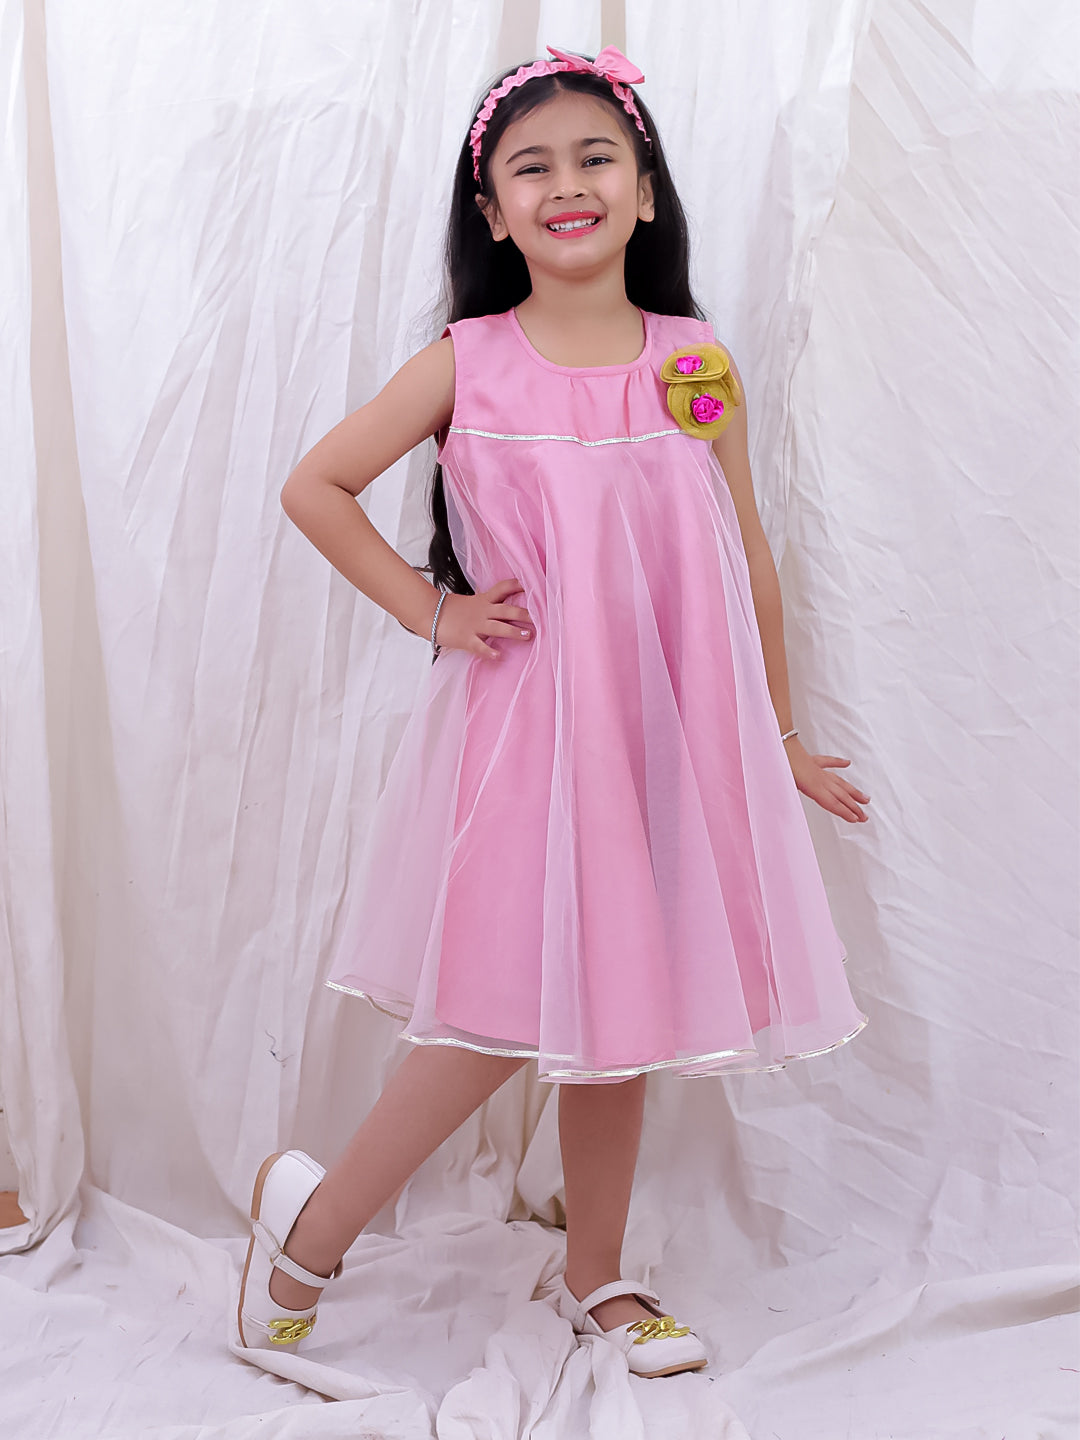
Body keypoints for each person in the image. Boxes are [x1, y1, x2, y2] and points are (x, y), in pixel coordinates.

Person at [233, 45, 871, 1380]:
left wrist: (778, 734)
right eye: (532, 167)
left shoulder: (694, 361)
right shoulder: (469, 362)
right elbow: (315, 488)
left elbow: (745, 553)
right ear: (492, 210)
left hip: (655, 740)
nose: (567, 183)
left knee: (619, 1003)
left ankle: (598, 1271)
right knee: (489, 1014)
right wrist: (434, 611)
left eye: (596, 157)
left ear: (646, 191)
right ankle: (311, 1235)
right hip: (528, 734)